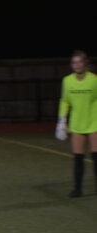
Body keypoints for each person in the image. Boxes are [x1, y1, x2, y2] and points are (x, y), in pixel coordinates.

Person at [55, 49, 97, 198]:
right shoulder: (67, 81)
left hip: (94, 122)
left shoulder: (94, 80)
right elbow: (64, 101)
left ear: (85, 63)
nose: (77, 65)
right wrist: (61, 120)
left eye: (80, 62)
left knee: (96, 157)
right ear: (71, 65)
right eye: (74, 62)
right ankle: (77, 190)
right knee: (78, 158)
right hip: (77, 124)